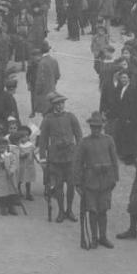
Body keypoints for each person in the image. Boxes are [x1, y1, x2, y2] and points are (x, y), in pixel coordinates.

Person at [74, 111, 119, 249]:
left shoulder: (109, 140)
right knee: (92, 211)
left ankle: (103, 237)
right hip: (90, 182)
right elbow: (78, 163)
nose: (96, 130)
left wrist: (114, 179)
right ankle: (93, 238)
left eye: (98, 127)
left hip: (106, 182)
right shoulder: (84, 142)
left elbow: (114, 160)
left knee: (103, 210)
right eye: (93, 127)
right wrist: (77, 183)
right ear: (90, 127)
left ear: (102, 127)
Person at [39, 93, 82, 222]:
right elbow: (43, 140)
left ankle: (69, 210)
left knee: (71, 185)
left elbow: (79, 135)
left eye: (62, 103)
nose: (60, 106)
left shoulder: (71, 117)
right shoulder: (48, 119)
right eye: (57, 104)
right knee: (58, 186)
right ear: (53, 105)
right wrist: (42, 157)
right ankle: (61, 211)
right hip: (56, 158)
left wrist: (80, 154)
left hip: (70, 156)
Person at [0, 137, 20, 216]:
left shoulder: (10, 155)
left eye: (4, 147)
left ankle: (11, 207)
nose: (2, 149)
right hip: (0, 178)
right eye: (0, 147)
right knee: (2, 193)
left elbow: (14, 164)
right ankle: (3, 207)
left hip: (9, 177)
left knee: (11, 192)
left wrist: (11, 171)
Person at [34, 40, 60, 116]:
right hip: (52, 91)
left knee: (45, 115)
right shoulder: (54, 60)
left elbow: (40, 82)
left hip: (44, 94)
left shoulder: (41, 63)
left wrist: (37, 92)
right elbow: (57, 76)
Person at [17, 125, 36, 201]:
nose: (23, 138)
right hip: (21, 165)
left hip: (29, 165)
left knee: (28, 180)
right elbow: (17, 154)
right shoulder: (18, 145)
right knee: (19, 179)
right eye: (22, 136)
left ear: (28, 137)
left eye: (26, 136)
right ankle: (18, 191)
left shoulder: (31, 145)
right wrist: (22, 155)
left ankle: (28, 193)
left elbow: (34, 153)